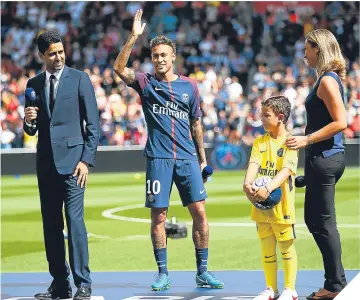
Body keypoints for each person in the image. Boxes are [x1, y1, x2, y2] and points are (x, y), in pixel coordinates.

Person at [113, 10, 224, 291]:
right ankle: (162, 273)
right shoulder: (145, 83)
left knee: (199, 212)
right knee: (159, 216)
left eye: (164, 55)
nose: (159, 59)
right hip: (158, 159)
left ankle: (203, 271)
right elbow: (118, 69)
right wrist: (134, 37)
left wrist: (202, 160)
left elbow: (196, 124)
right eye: (155, 55)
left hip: (187, 159)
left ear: (173, 56)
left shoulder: (190, 86)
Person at [24, 30, 100, 300]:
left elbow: (93, 125)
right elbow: (31, 130)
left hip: (74, 165)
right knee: (51, 225)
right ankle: (60, 284)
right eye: (52, 53)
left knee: (75, 222)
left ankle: (84, 284)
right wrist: (29, 119)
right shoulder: (32, 84)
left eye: (61, 51)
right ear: (41, 55)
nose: (58, 57)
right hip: (45, 165)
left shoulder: (80, 79)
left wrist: (86, 161)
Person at [285, 29, 348, 300]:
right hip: (322, 160)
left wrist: (306, 139)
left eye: (307, 48)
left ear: (319, 49)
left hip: (325, 157)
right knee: (318, 221)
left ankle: (335, 285)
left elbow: (341, 122)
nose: (304, 53)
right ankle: (335, 281)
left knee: (322, 223)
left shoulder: (327, 82)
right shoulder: (325, 80)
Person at [243, 96, 299, 300]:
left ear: (280, 117)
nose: (262, 120)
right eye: (261, 115)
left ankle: (290, 289)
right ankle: (270, 288)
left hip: (282, 205)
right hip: (261, 205)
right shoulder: (260, 141)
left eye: (266, 116)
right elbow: (253, 165)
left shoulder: (291, 142)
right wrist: (247, 183)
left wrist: (268, 187)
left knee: (285, 247)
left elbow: (286, 171)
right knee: (267, 248)